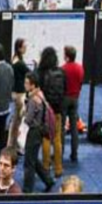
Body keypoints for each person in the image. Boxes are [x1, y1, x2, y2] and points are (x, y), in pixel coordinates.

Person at [23, 72, 55, 193]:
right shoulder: (40, 95)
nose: (25, 85)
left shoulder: (33, 100)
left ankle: (27, 190)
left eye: (27, 83)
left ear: (33, 85)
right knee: (33, 159)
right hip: (40, 131)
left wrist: (24, 112)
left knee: (29, 162)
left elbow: (28, 119)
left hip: (33, 132)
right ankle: (48, 180)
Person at [37, 47, 66, 177]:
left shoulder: (41, 73)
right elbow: (65, 89)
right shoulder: (61, 72)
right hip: (58, 109)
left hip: (46, 110)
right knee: (57, 139)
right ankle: (58, 168)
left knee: (46, 138)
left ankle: (46, 166)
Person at [60, 46, 84, 164]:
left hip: (64, 98)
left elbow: (61, 85)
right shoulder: (80, 68)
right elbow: (80, 82)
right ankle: (74, 153)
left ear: (67, 56)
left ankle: (60, 152)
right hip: (75, 98)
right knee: (74, 127)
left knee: (62, 127)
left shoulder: (63, 69)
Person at [8, 39, 29, 149]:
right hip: (19, 94)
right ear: (19, 48)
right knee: (17, 120)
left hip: (16, 92)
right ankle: (12, 144)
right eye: (24, 47)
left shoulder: (14, 59)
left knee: (16, 120)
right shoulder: (19, 63)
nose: (26, 48)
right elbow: (30, 73)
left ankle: (13, 143)